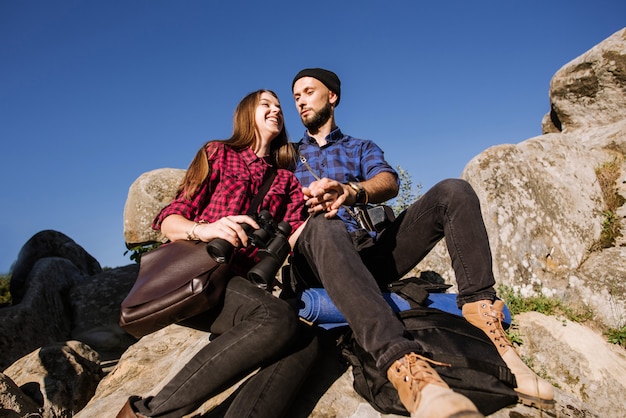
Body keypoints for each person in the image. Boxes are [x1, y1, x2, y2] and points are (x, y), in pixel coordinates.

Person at [288, 68, 555, 417]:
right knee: (325, 225)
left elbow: (388, 181)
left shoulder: (360, 147)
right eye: (296, 97)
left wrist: (352, 191)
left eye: (308, 91)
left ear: (332, 96)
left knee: (452, 191)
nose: (301, 101)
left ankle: (493, 335)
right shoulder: (287, 155)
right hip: (320, 256)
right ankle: (404, 368)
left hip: (370, 254)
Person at [116, 90, 318, 418]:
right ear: (246, 113)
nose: (276, 111)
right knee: (275, 318)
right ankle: (149, 413)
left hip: (243, 285)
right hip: (199, 274)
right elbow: (170, 220)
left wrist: (326, 216)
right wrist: (205, 229)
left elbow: (295, 236)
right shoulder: (218, 153)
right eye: (266, 104)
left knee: (305, 343)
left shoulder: (287, 181)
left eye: (280, 107)